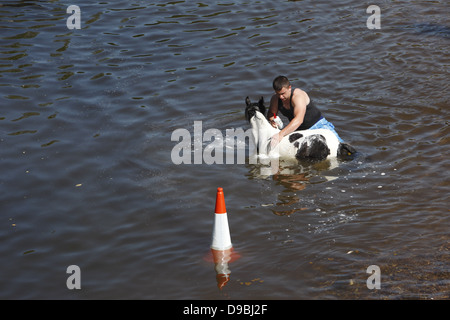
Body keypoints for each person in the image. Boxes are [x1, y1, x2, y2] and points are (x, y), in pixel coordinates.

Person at [267, 75, 344, 149]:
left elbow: (299, 120)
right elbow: (271, 113)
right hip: (299, 130)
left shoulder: (297, 96)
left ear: (289, 88)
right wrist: (272, 120)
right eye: (278, 94)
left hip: (317, 125)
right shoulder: (275, 99)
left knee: (342, 147)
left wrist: (280, 134)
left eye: (283, 93)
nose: (281, 97)